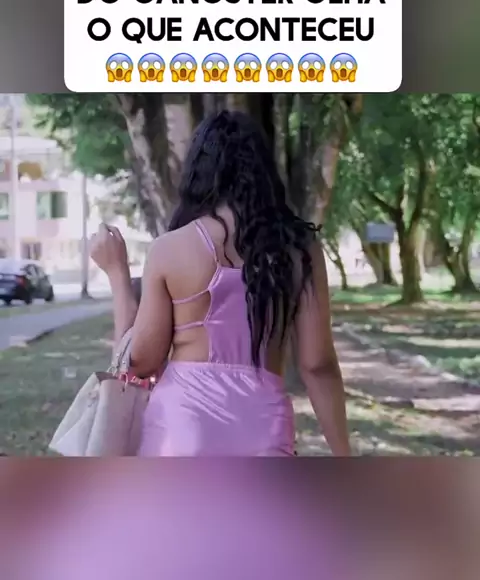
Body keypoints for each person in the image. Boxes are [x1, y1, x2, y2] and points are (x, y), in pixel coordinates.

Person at [89, 110, 351, 457]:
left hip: (182, 430)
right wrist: (344, 455)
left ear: (197, 173)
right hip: (263, 429)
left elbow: (138, 363)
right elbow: (317, 365)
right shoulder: (299, 248)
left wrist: (117, 275)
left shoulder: (170, 249)